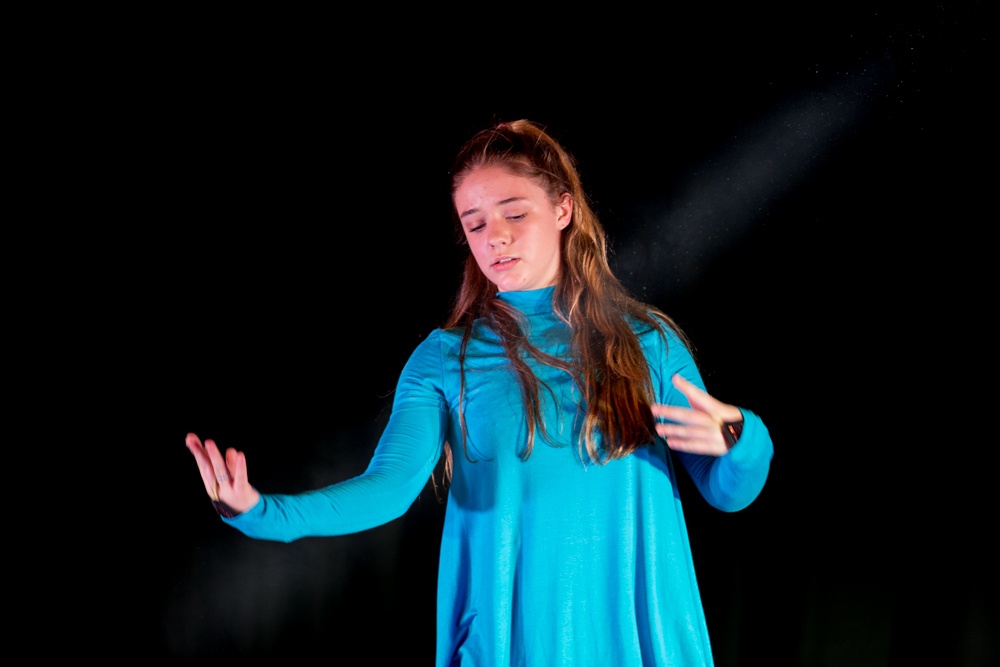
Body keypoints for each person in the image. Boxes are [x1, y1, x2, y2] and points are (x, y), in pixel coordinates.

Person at [186, 118, 774, 666]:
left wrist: (739, 436)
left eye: (515, 213)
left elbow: (729, 494)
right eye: (474, 223)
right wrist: (261, 512)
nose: (495, 237)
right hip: (512, 644)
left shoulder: (647, 343)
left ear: (563, 209)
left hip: (636, 643)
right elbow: (389, 488)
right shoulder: (446, 358)